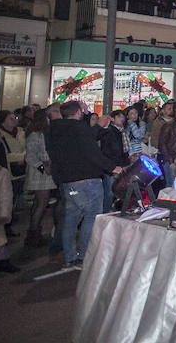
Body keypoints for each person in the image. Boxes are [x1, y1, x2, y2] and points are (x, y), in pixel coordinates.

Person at [46, 101, 120, 268]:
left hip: (68, 183)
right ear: (78, 113)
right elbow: (90, 150)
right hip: (86, 181)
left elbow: (82, 141)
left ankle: (70, 257)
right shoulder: (78, 128)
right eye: (84, 110)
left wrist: (97, 128)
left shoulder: (54, 129)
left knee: (71, 219)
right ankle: (84, 255)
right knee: (91, 217)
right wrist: (113, 168)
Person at [24, 109, 56, 247]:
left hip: (43, 173)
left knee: (40, 203)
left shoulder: (42, 134)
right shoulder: (34, 135)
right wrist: (44, 167)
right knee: (41, 204)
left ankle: (34, 232)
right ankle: (33, 234)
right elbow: (30, 156)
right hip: (39, 174)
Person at [98, 110, 130, 213]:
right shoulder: (110, 131)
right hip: (112, 166)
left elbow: (124, 150)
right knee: (110, 192)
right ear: (112, 118)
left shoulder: (122, 131)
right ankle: (105, 213)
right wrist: (113, 166)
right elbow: (108, 151)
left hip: (120, 165)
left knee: (117, 191)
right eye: (119, 116)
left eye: (123, 117)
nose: (122, 119)